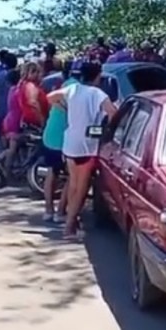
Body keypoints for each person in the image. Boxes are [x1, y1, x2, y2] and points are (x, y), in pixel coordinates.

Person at [47, 61, 118, 239]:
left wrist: (64, 108)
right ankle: (69, 227)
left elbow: (49, 97)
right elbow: (113, 113)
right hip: (87, 144)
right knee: (81, 187)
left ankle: (72, 221)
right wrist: (106, 130)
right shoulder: (98, 94)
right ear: (97, 75)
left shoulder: (72, 89)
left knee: (73, 183)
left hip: (70, 143)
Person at [40, 63, 78, 223]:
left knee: (52, 172)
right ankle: (61, 211)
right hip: (64, 137)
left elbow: (50, 101)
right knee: (73, 176)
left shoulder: (65, 85)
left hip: (50, 134)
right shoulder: (78, 88)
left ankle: (49, 209)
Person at [0, 68, 23, 173]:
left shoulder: (11, 90)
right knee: (12, 150)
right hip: (15, 121)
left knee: (13, 147)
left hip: (8, 119)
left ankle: (8, 168)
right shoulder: (18, 91)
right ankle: (3, 167)